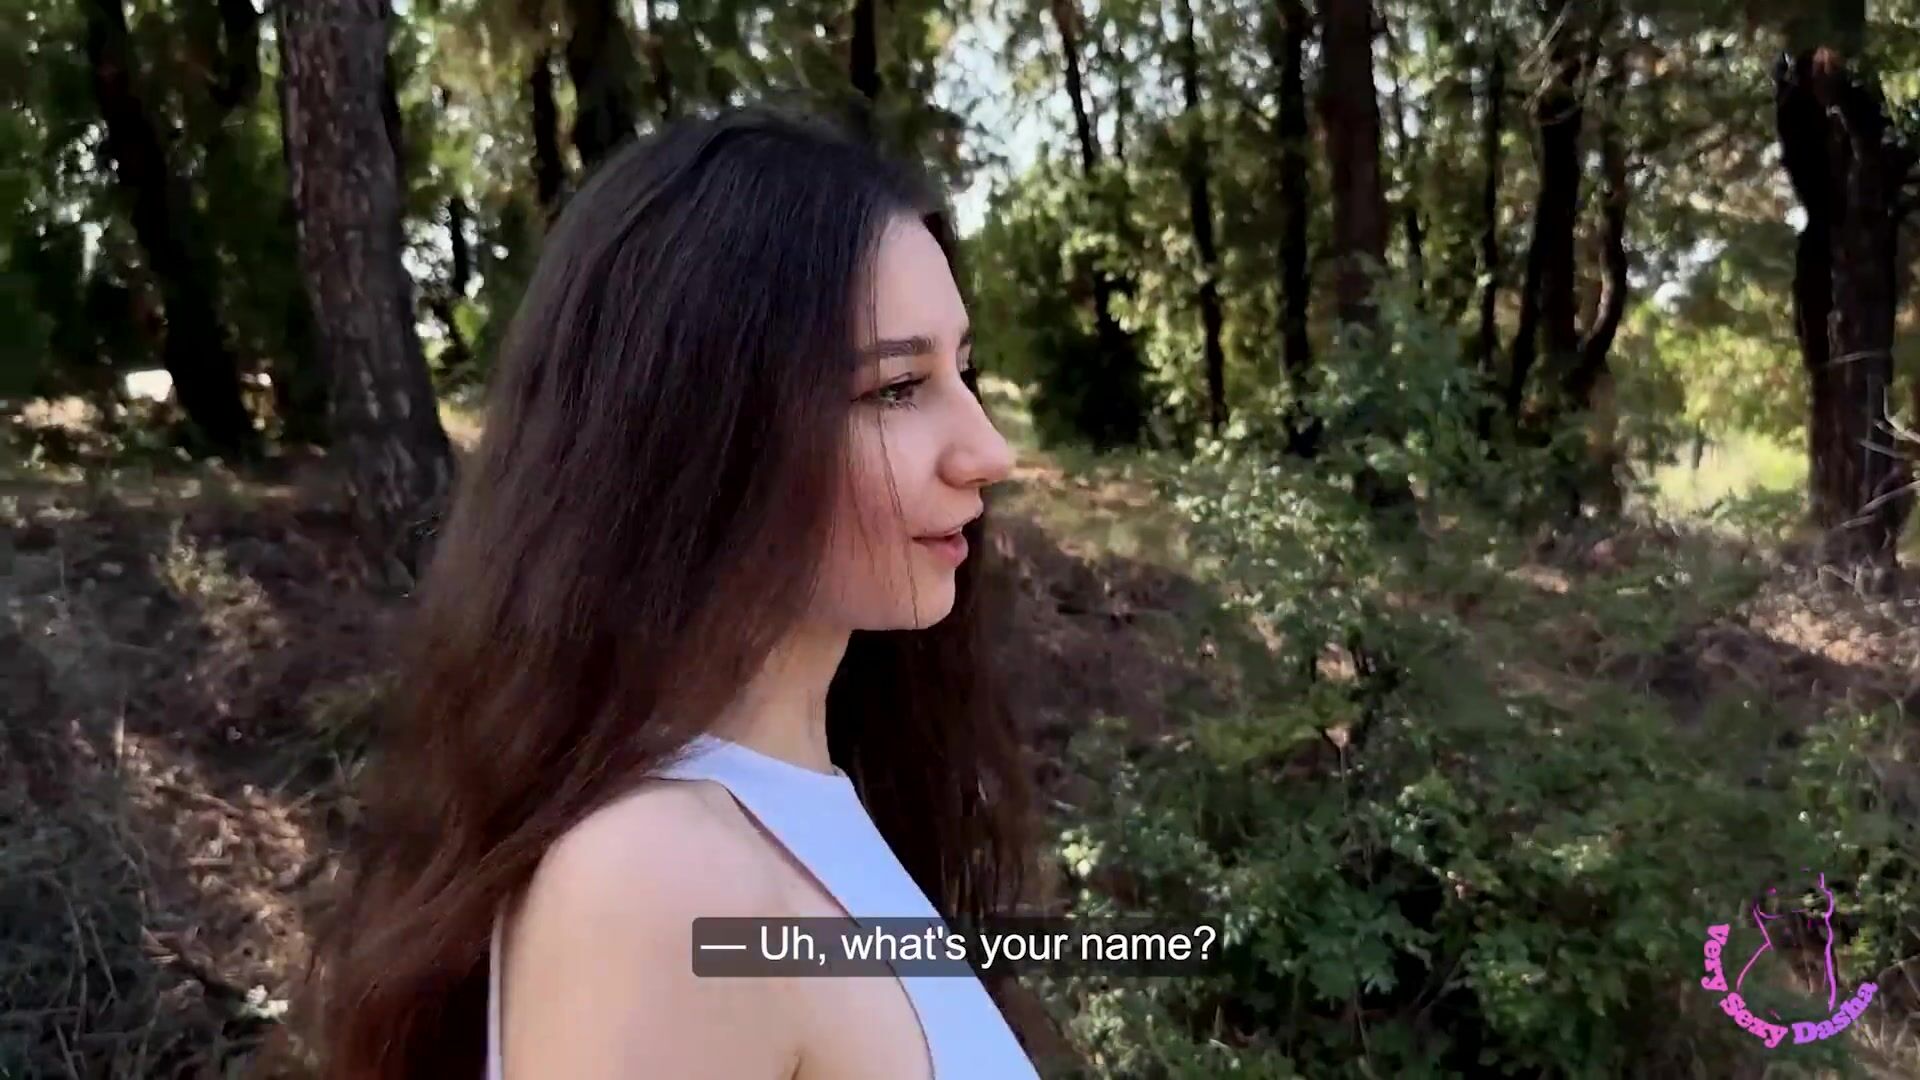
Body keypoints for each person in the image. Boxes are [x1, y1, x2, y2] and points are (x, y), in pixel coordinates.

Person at [310, 105, 1043, 1079]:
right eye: (895, 389)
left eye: (964, 370)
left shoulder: (801, 813)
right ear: (702, 428)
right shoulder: (666, 880)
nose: (987, 451)